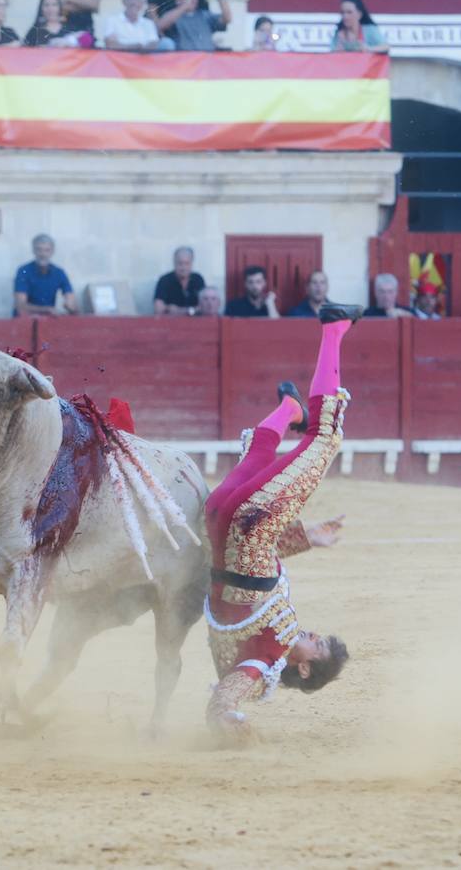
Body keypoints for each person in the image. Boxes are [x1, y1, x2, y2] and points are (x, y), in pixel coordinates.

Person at [202, 303, 361, 744]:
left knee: (324, 437)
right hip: (220, 521)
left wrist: (233, 725)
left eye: (319, 644)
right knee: (256, 457)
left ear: (304, 667)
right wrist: (309, 537)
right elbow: (248, 570)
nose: (312, 634)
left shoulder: (264, 660)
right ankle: (291, 407)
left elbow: (223, 699)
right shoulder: (264, 643)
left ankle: (334, 329)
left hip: (248, 525)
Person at [154, 0, 229, 52]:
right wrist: (185, 5)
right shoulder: (173, 16)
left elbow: (227, 19)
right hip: (184, 61)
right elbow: (159, 27)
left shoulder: (204, 15)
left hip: (207, 60)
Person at [14, 234, 78, 316]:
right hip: (25, 323)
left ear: (52, 251)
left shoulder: (59, 272)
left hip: (48, 321)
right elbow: (20, 306)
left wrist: (70, 305)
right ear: (33, 250)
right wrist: (46, 310)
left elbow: (71, 301)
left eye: (47, 250)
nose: (43, 254)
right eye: (39, 249)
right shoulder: (23, 271)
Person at [153, 247, 205, 316]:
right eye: (180, 263)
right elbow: (158, 309)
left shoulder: (198, 279)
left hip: (197, 323)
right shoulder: (165, 280)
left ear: (192, 263)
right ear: (174, 262)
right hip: (170, 324)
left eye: (187, 263)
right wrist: (193, 310)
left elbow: (205, 308)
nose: (183, 267)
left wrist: (177, 310)